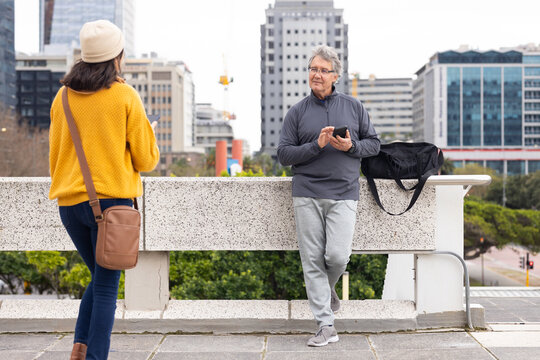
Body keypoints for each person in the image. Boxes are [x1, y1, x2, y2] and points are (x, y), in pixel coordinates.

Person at [48, 20, 159, 359]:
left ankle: (80, 349)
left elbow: (54, 156)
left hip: (69, 204)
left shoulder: (62, 97)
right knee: (108, 286)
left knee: (99, 277)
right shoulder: (124, 95)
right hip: (112, 206)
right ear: (117, 58)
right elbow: (147, 159)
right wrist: (148, 133)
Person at [277, 45, 380, 347]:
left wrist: (351, 148)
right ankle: (325, 325)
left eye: (323, 70)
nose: (317, 75)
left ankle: (328, 293)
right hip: (306, 192)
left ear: (336, 75)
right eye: (313, 69)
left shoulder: (354, 107)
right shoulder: (297, 112)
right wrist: (317, 145)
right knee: (312, 260)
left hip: (345, 193)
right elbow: (283, 154)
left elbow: (374, 144)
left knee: (337, 256)